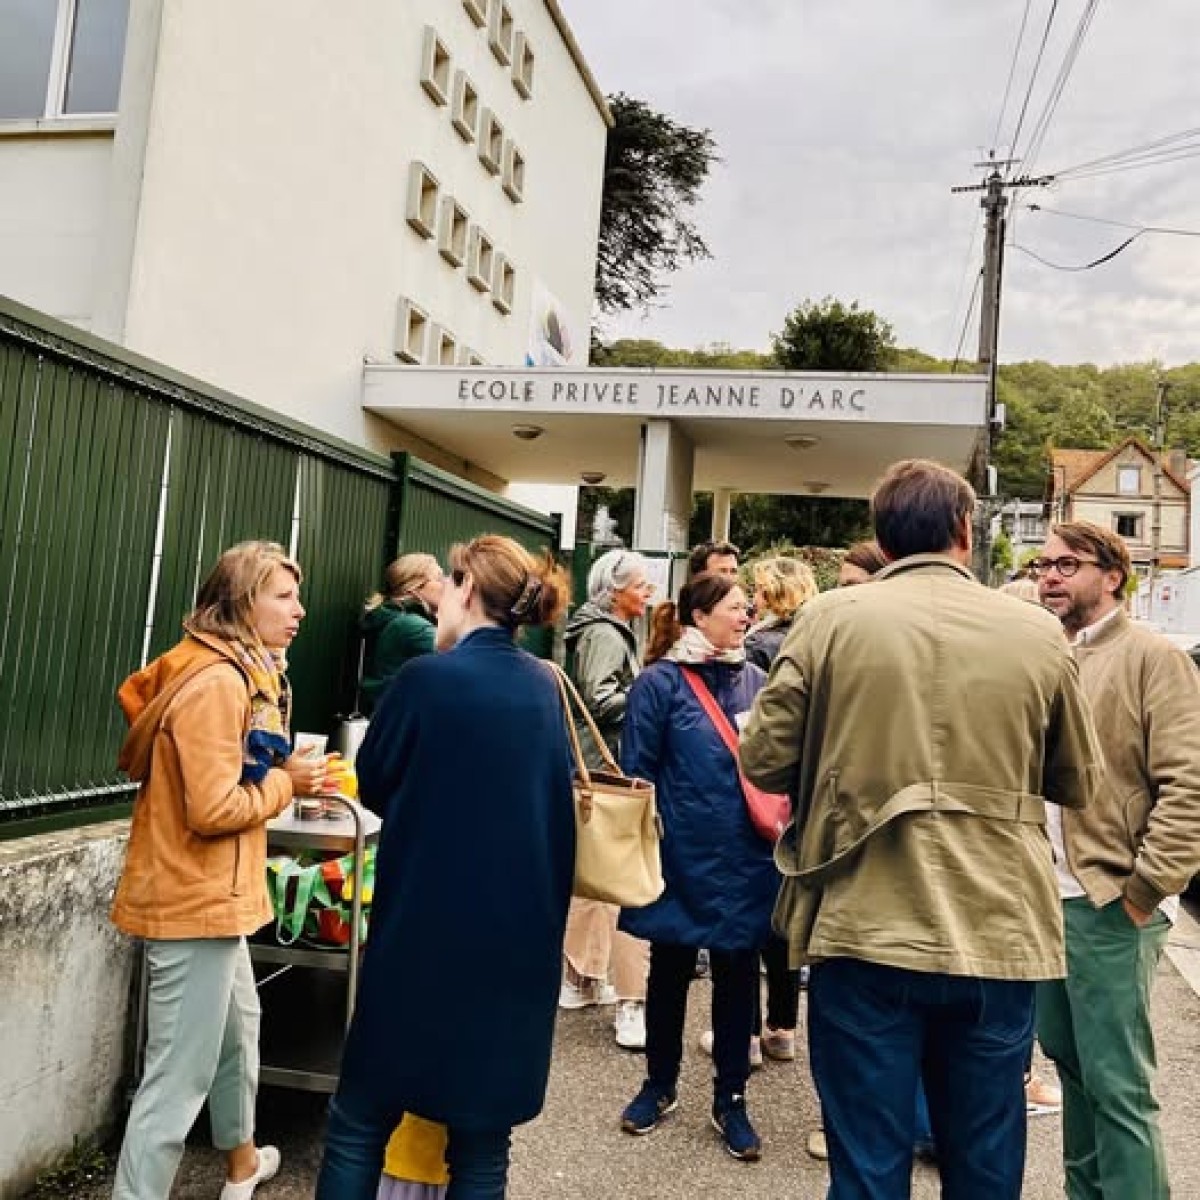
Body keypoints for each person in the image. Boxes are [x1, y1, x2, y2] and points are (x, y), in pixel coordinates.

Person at [741, 459, 1101, 1200]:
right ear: (966, 531)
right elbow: (1078, 783)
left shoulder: (831, 618)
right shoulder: (1039, 631)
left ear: (882, 535)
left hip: (864, 920)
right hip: (998, 928)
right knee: (985, 1164)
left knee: (869, 1165)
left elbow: (766, 761)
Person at [317, 536, 575, 1200]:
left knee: (360, 1121)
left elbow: (371, 781)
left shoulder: (426, 680)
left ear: (464, 589)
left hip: (421, 938)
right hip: (518, 945)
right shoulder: (544, 687)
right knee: (483, 1143)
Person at [110, 541, 326, 1200]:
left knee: (239, 1036)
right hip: (193, 901)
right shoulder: (218, 683)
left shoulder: (234, 669)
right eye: (283, 596)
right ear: (240, 602)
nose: (300, 610)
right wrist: (286, 784)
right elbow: (213, 807)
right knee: (175, 1083)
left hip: (215, 898)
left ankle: (240, 1165)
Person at [1032, 521, 1200, 1200]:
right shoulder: (1048, 653)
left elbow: (1189, 786)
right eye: (1045, 564)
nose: (1049, 576)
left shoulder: (1154, 657)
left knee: (1118, 1087)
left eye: (1067, 564)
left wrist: (1143, 891)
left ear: (1113, 575)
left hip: (1107, 906)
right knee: (1072, 1072)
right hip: (1043, 903)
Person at [617, 572, 779, 1162]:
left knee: (739, 977)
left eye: (748, 607)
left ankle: (731, 1099)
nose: (745, 616)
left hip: (745, 857)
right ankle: (657, 1086)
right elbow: (639, 768)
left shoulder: (759, 683)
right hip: (676, 854)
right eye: (736, 607)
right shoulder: (658, 685)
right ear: (698, 616)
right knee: (670, 970)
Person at [560, 549, 653, 1050]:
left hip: (595, 760)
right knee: (610, 877)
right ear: (615, 590)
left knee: (594, 877)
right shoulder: (604, 633)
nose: (649, 592)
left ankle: (582, 978)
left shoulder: (603, 629)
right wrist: (648, 692)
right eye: (641, 584)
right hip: (603, 761)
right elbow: (599, 698)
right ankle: (610, 993)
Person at [360, 553, 444, 713]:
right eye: (439, 578)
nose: (447, 584)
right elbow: (463, 658)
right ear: (414, 587)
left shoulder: (392, 619)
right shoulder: (411, 626)